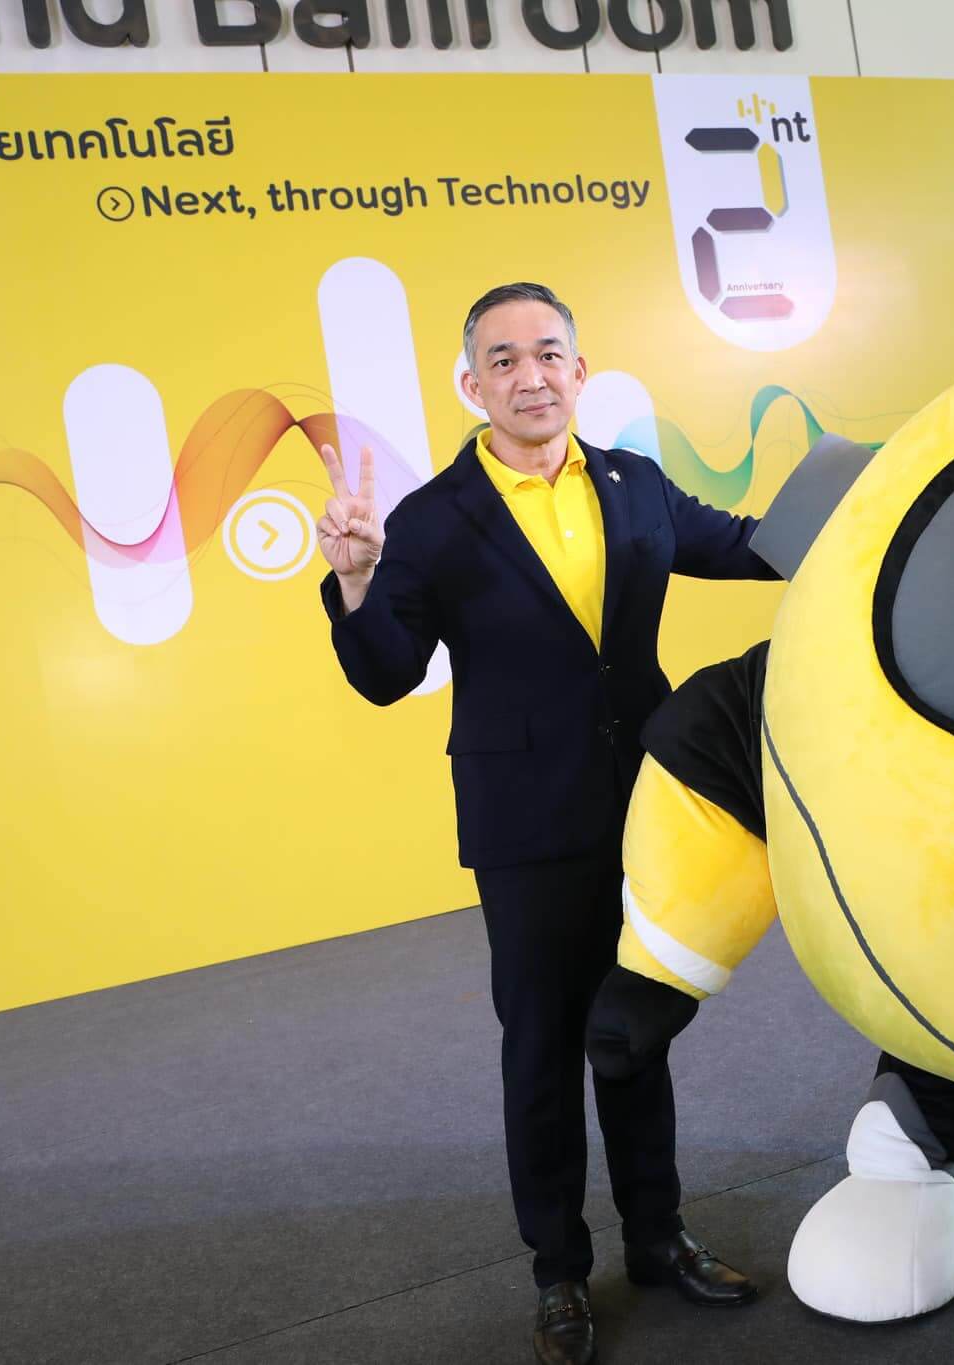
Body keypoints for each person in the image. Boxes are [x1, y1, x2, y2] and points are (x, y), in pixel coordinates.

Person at [316, 282, 774, 1364]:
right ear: (472, 385)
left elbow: (748, 544)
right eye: (504, 360)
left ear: (579, 370)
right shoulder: (433, 517)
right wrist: (357, 580)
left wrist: (889, 513)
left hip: (647, 802)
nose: (531, 376)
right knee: (541, 1051)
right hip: (526, 820)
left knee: (635, 1029)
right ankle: (559, 1272)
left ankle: (658, 1239)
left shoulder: (633, 483)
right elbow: (385, 674)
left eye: (549, 353)